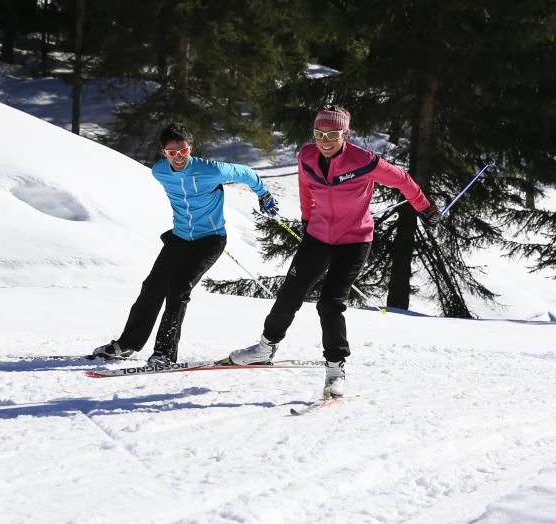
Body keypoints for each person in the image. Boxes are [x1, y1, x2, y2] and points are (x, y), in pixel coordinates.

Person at [228, 105, 440, 398]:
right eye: (319, 134)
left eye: (332, 134)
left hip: (354, 241)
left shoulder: (364, 161)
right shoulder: (307, 157)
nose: (324, 140)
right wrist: (306, 217)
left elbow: (402, 180)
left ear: (345, 133)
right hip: (318, 235)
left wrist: (424, 208)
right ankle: (265, 348)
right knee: (291, 292)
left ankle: (335, 370)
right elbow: (305, 187)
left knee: (329, 304)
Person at [92, 122, 278, 366]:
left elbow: (245, 172)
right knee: (152, 287)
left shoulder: (211, 170)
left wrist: (263, 194)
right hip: (179, 238)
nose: (179, 157)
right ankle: (127, 345)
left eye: (183, 151)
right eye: (172, 153)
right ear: (164, 153)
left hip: (210, 240)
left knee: (179, 286)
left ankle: (164, 354)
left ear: (190, 149)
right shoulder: (159, 171)